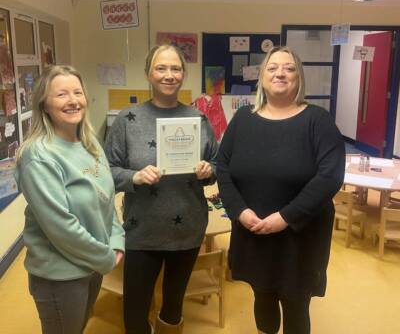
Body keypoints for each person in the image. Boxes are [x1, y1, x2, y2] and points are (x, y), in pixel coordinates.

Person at [217, 46, 345, 334]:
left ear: (299, 78)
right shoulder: (243, 119)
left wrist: (286, 217)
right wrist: (239, 211)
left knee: (296, 302)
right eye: (272, 67)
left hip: (300, 237)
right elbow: (222, 168)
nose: (280, 73)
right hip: (253, 231)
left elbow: (330, 176)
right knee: (261, 294)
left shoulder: (317, 120)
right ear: (262, 77)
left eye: (289, 68)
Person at [105, 44, 218, 334]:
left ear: (183, 74)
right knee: (135, 312)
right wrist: (134, 177)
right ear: (148, 74)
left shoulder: (198, 119)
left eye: (176, 68)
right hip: (142, 230)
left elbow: (218, 164)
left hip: (187, 229)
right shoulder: (126, 120)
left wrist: (209, 171)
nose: (169, 75)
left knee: (173, 307)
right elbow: (107, 171)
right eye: (161, 68)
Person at [15, 65, 125, 334]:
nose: (73, 100)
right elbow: (60, 226)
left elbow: (106, 198)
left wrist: (116, 240)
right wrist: (105, 257)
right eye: (61, 94)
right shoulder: (39, 156)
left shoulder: (90, 143)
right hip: (60, 275)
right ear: (44, 104)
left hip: (92, 265)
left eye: (77, 92)